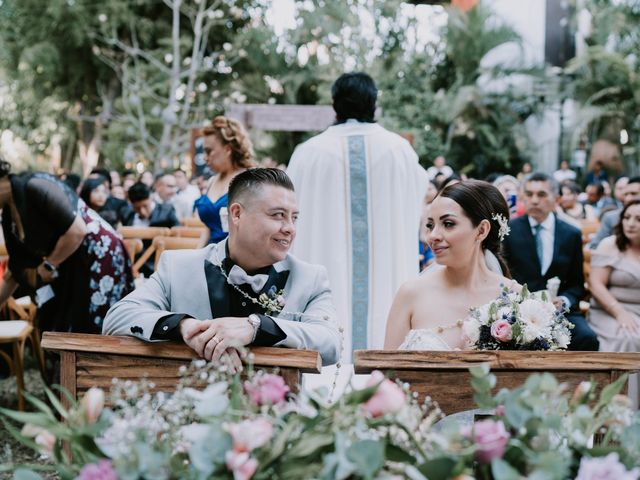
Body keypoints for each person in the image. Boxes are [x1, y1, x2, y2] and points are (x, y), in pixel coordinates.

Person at [103, 168, 341, 367]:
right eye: (278, 215)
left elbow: (332, 342)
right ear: (236, 214)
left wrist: (256, 327)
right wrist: (185, 327)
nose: (290, 228)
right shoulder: (177, 267)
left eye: (294, 217)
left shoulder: (310, 278)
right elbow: (117, 318)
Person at [287, 72, 428, 355]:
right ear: (373, 104)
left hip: (323, 269)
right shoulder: (399, 150)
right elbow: (418, 202)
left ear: (335, 105)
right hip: (387, 274)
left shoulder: (308, 152)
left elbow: (290, 213)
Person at [0, 160, 134, 333]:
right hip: (71, 259)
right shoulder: (9, 215)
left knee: (92, 331)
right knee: (66, 328)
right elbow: (16, 268)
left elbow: (77, 231)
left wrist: (49, 264)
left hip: (99, 253)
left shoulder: (34, 185)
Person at [384, 180, 514, 350]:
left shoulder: (514, 298)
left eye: (448, 224)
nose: (433, 235)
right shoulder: (411, 294)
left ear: (481, 230)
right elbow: (386, 373)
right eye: (430, 225)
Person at [503, 172, 599, 350]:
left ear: (556, 199)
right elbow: (501, 277)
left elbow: (577, 284)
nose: (534, 200)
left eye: (541, 194)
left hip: (559, 312)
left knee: (587, 338)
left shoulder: (571, 233)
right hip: (519, 310)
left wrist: (564, 300)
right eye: (529, 194)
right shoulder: (510, 231)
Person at [587, 199, 640, 406]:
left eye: (638, 219)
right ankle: (624, 410)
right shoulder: (610, 244)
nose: (631, 223)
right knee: (630, 338)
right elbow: (595, 284)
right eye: (627, 218)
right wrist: (619, 312)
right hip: (609, 310)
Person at [194, 116, 256, 244]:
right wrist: (196, 257)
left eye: (208, 151)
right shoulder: (212, 181)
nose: (204, 158)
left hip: (236, 258)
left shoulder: (249, 181)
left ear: (228, 149)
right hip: (210, 255)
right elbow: (208, 228)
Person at [124, 181, 180, 277]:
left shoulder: (167, 212)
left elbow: (178, 237)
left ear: (151, 197)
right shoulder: (128, 214)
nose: (142, 212)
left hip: (158, 268)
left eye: (145, 206)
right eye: (137, 208)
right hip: (131, 268)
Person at [589, 177, 640, 249]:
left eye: (633, 194)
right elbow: (595, 246)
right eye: (626, 194)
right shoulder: (611, 218)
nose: (628, 198)